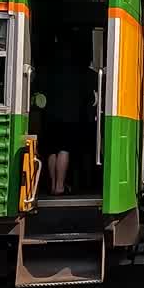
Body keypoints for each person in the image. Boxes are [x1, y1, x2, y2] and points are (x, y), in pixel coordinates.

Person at [40, 40, 85, 196]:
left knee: (51, 150)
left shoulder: (49, 68)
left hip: (50, 114)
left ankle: (53, 185)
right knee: (64, 149)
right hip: (70, 115)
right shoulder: (78, 70)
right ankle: (60, 186)